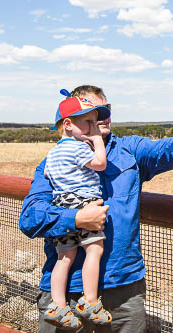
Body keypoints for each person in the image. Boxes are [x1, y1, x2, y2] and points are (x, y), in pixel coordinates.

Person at [19, 85, 173, 333]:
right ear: (72, 122)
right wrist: (77, 218)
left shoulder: (128, 151)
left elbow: (165, 150)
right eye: (92, 114)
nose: (102, 118)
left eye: (105, 110)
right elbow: (30, 217)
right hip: (67, 292)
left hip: (123, 288)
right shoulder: (54, 162)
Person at [42, 91, 113, 330]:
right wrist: (97, 141)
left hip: (61, 204)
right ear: (69, 125)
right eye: (89, 122)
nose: (94, 127)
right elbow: (100, 164)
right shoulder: (79, 148)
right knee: (94, 249)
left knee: (65, 257)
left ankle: (58, 305)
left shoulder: (52, 153)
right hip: (82, 203)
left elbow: (46, 175)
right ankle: (90, 302)